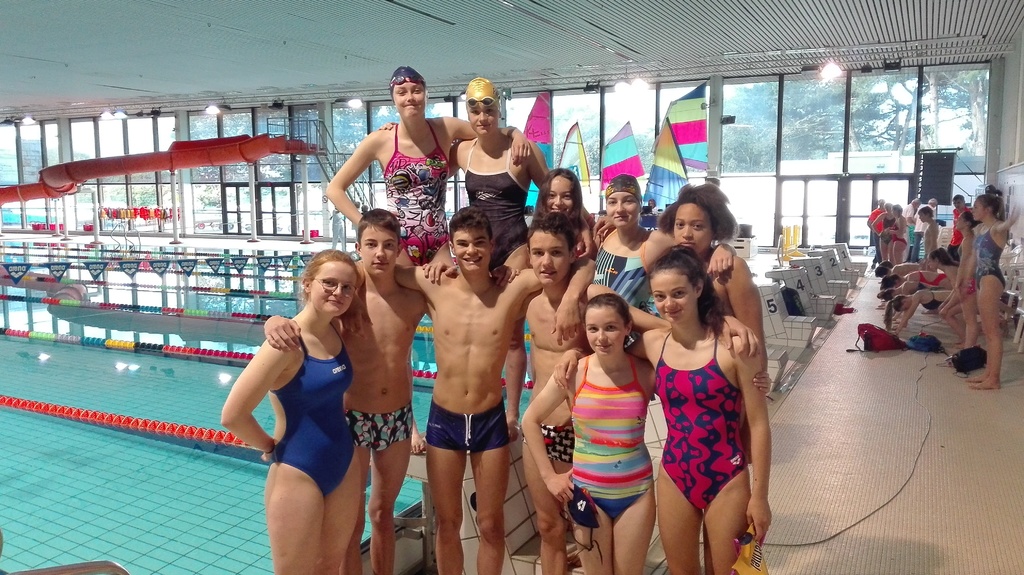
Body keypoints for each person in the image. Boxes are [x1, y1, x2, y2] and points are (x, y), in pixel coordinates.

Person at [394, 207, 595, 575]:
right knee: (448, 523)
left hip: (489, 421)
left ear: (491, 245)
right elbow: (380, 269)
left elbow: (580, 264)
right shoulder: (433, 284)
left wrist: (570, 298)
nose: (471, 251)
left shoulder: (512, 287)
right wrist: (436, 258)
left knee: (490, 524)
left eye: (479, 243)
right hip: (443, 420)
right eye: (462, 244)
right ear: (452, 246)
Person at [262, 210, 429, 575]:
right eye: (371, 244)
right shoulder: (347, 296)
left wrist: (414, 424)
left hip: (398, 417)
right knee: (350, 522)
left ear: (399, 248)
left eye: (388, 245)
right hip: (351, 418)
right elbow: (306, 323)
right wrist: (274, 320)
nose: (380, 253)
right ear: (359, 247)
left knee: (383, 512)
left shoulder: (414, 298)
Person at [521, 212, 666, 575]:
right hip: (549, 428)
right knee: (549, 527)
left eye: (556, 252)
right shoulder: (527, 297)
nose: (546, 261)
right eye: (538, 253)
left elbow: (661, 330)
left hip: (584, 431)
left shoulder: (594, 297)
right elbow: (511, 353)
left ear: (573, 253)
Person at [221, 250, 364, 575]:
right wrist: (269, 446)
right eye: (329, 283)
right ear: (308, 284)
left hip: (344, 463)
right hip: (299, 470)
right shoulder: (285, 344)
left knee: (329, 568)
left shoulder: (335, 328)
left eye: (347, 287)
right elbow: (233, 415)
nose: (338, 292)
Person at [325, 66, 529, 270]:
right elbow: (334, 189)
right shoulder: (380, 140)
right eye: (401, 92)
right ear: (393, 99)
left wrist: (514, 133)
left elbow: (485, 128)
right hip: (398, 243)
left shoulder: (445, 128)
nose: (410, 98)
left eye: (416, 91)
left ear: (426, 95)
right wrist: (367, 226)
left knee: (449, 288)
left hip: (438, 243)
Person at [644, 247, 770, 574]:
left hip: (727, 477)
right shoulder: (654, 343)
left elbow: (759, 425)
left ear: (699, 288)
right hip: (674, 474)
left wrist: (760, 496)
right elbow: (608, 312)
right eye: (659, 296)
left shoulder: (734, 347)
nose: (669, 304)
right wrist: (573, 355)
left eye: (678, 293)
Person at [659, 183, 772, 394]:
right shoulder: (669, 265)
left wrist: (757, 381)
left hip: (726, 378)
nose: (686, 234)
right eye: (680, 225)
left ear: (715, 230)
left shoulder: (731, 270)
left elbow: (754, 336)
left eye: (697, 226)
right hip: (684, 374)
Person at [967, 193, 1019, 390]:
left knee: (992, 331)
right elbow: (974, 258)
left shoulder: (996, 227)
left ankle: (994, 379)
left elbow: (1003, 226)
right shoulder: (981, 229)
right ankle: (988, 373)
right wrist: (967, 280)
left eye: (976, 206)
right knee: (987, 331)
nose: (972, 210)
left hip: (991, 278)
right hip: (982, 278)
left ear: (987, 209)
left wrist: (1011, 220)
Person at [534, 168, 597, 259]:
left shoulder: (590, 235)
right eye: (551, 195)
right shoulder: (532, 234)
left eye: (566, 196)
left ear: (575, 199)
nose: (558, 202)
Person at [885, 290, 955, 336]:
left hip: (953, 297)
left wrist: (897, 331)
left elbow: (909, 313)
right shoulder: (912, 299)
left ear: (904, 301)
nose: (905, 310)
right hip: (949, 301)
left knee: (949, 317)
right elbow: (906, 313)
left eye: (904, 308)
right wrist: (901, 325)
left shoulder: (917, 295)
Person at [947, 194, 971, 261]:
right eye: (954, 203)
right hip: (954, 239)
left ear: (964, 202)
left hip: (962, 239)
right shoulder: (955, 211)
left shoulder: (968, 213)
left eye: (958, 202)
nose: (956, 205)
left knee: (959, 259)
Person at [867, 199, 887, 268]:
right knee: (878, 248)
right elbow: (869, 223)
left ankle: (875, 261)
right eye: (881, 203)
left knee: (882, 248)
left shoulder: (886, 212)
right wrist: (873, 230)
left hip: (885, 233)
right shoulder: (875, 212)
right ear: (879, 204)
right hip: (877, 232)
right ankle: (880, 263)